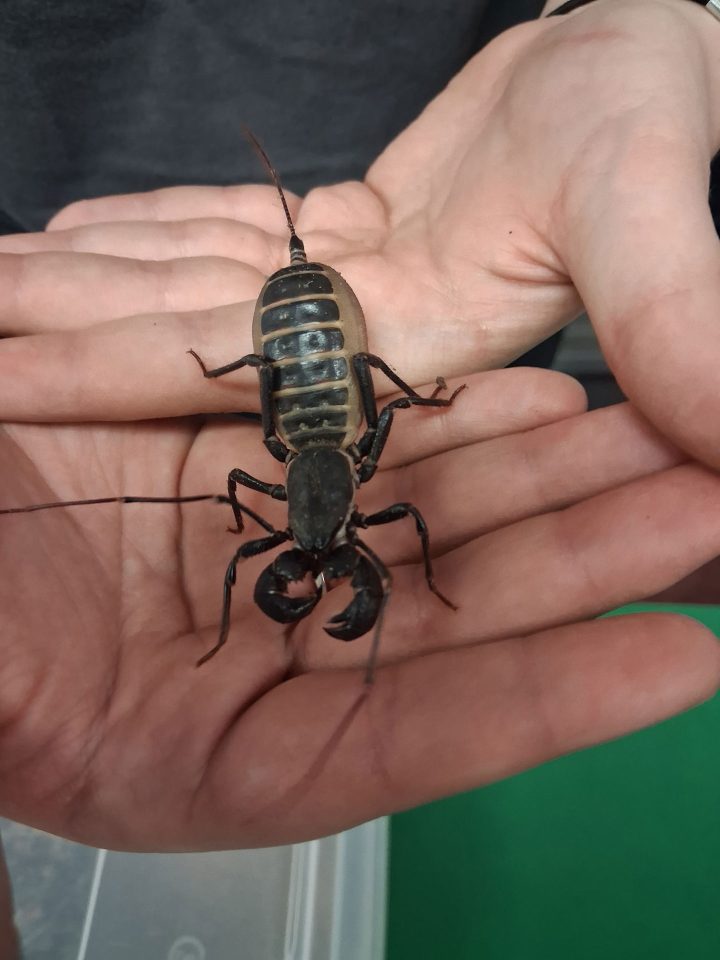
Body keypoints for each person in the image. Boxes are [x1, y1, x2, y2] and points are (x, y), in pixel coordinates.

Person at [0, 0, 718, 858]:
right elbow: (328, 484)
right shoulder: (328, 491)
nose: (306, 553)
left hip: (314, 388)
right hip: (281, 363)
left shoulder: (285, 474)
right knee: (348, 394)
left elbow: (347, 431)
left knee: (373, 385)